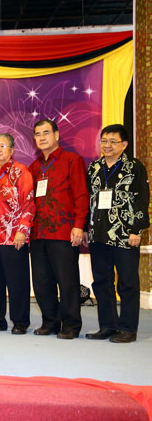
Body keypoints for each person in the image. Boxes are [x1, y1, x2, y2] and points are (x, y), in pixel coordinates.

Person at [85, 124, 149, 343]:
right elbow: (88, 200)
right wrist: (87, 228)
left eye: (113, 141)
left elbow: (142, 199)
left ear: (124, 144)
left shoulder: (134, 167)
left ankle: (128, 328)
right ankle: (108, 326)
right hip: (98, 234)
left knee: (127, 282)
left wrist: (136, 230)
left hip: (124, 235)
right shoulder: (94, 167)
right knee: (102, 281)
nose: (107, 145)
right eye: (104, 140)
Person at [28, 119, 88, 339]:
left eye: (46, 133)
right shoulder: (33, 167)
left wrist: (79, 225)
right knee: (42, 281)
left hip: (63, 232)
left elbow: (82, 195)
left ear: (57, 135)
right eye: (37, 134)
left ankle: (71, 325)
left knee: (67, 281)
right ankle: (50, 322)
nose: (42, 137)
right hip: (38, 233)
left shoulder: (72, 160)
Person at [0, 133, 35, 334]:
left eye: (2, 146)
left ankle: (20, 321)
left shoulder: (21, 172)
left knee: (17, 281)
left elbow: (28, 202)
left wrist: (22, 230)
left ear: (12, 150)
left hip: (13, 236)